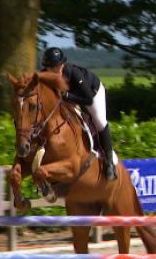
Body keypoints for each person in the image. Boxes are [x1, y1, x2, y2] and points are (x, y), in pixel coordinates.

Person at [38, 47, 118, 181]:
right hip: (69, 98)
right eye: (49, 68)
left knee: (99, 121)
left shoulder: (73, 73)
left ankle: (109, 162)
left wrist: (66, 96)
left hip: (91, 93)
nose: (53, 71)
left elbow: (88, 99)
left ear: (62, 64)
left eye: (56, 67)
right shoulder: (44, 74)